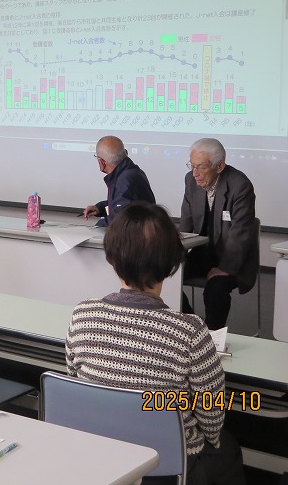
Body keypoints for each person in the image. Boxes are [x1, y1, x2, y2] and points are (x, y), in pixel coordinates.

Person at [66, 202, 245, 485]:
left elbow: (76, 384)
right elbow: (211, 419)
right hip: (169, 466)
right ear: (171, 262)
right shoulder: (190, 331)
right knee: (228, 446)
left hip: (100, 455)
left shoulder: (82, 315)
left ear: (112, 257)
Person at [179, 138, 258, 330]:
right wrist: (173, 257)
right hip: (202, 253)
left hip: (233, 258)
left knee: (215, 288)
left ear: (219, 166)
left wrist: (225, 267)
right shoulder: (190, 180)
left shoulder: (240, 185)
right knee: (163, 275)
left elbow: (240, 233)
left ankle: (213, 336)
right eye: (192, 165)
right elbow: (186, 224)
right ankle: (191, 327)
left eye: (201, 167)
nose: (195, 173)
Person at [82, 135, 155, 225]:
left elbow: (118, 220)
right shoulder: (130, 173)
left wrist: (94, 229)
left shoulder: (125, 180)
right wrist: (99, 208)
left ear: (101, 162)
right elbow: (123, 205)